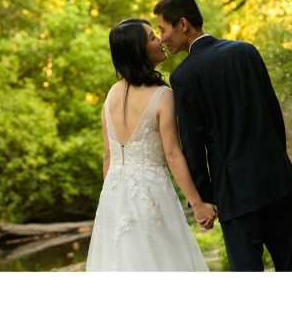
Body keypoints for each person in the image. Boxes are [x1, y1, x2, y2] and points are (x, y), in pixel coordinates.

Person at [154, 0, 292, 272]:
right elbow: (275, 115)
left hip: (234, 194)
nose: (162, 37)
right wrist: (278, 163)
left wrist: (205, 200)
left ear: (183, 24)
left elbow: (192, 145)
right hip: (276, 181)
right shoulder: (246, 51)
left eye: (163, 29)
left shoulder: (184, 77)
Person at [85, 18, 216, 271]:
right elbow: (173, 154)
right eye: (152, 37)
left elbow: (108, 158)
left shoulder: (110, 96)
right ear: (139, 51)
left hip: (113, 199)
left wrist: (111, 203)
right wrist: (198, 204)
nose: (161, 40)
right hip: (151, 196)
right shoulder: (163, 95)